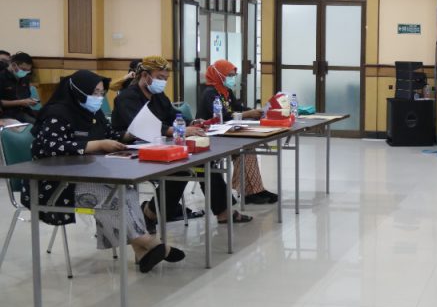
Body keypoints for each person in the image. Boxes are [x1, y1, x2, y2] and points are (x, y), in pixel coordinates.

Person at [21, 70, 184, 272]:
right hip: (54, 183)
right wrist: (96, 144)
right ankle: (151, 243)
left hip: (88, 175)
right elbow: (51, 147)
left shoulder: (93, 113)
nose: (98, 98)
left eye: (101, 93)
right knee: (111, 196)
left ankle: (142, 252)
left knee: (126, 189)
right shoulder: (56, 114)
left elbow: (109, 134)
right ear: (78, 91)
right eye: (94, 93)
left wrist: (129, 134)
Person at [113, 55, 251, 227]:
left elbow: (173, 116)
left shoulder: (158, 96)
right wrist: (179, 130)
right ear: (145, 75)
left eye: (165, 79)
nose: (163, 82)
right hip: (129, 149)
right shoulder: (127, 97)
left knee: (205, 162)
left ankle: (223, 212)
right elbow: (141, 127)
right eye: (159, 78)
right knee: (181, 170)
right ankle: (150, 214)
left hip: (159, 144)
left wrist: (192, 123)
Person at [196, 59, 277, 205]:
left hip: (227, 133)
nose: (232, 78)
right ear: (218, 75)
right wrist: (247, 114)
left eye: (233, 75)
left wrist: (255, 111)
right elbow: (222, 117)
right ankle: (251, 192)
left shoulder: (226, 91)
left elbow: (238, 108)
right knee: (244, 149)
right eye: (229, 75)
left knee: (248, 147)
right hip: (210, 136)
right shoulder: (210, 93)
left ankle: (255, 190)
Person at [0, 52, 39, 124]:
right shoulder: (2, 77)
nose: (25, 73)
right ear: (13, 65)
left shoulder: (24, 78)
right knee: (36, 124)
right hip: (8, 114)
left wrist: (30, 101)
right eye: (23, 69)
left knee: (45, 119)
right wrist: (21, 102)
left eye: (28, 70)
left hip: (25, 111)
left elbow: (26, 96)